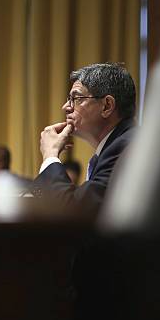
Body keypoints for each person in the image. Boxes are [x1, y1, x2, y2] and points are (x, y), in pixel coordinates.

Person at [32, 62, 137, 213]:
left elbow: (75, 215)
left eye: (76, 98)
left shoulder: (125, 148)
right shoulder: (120, 144)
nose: (66, 107)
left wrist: (50, 155)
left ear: (107, 106)